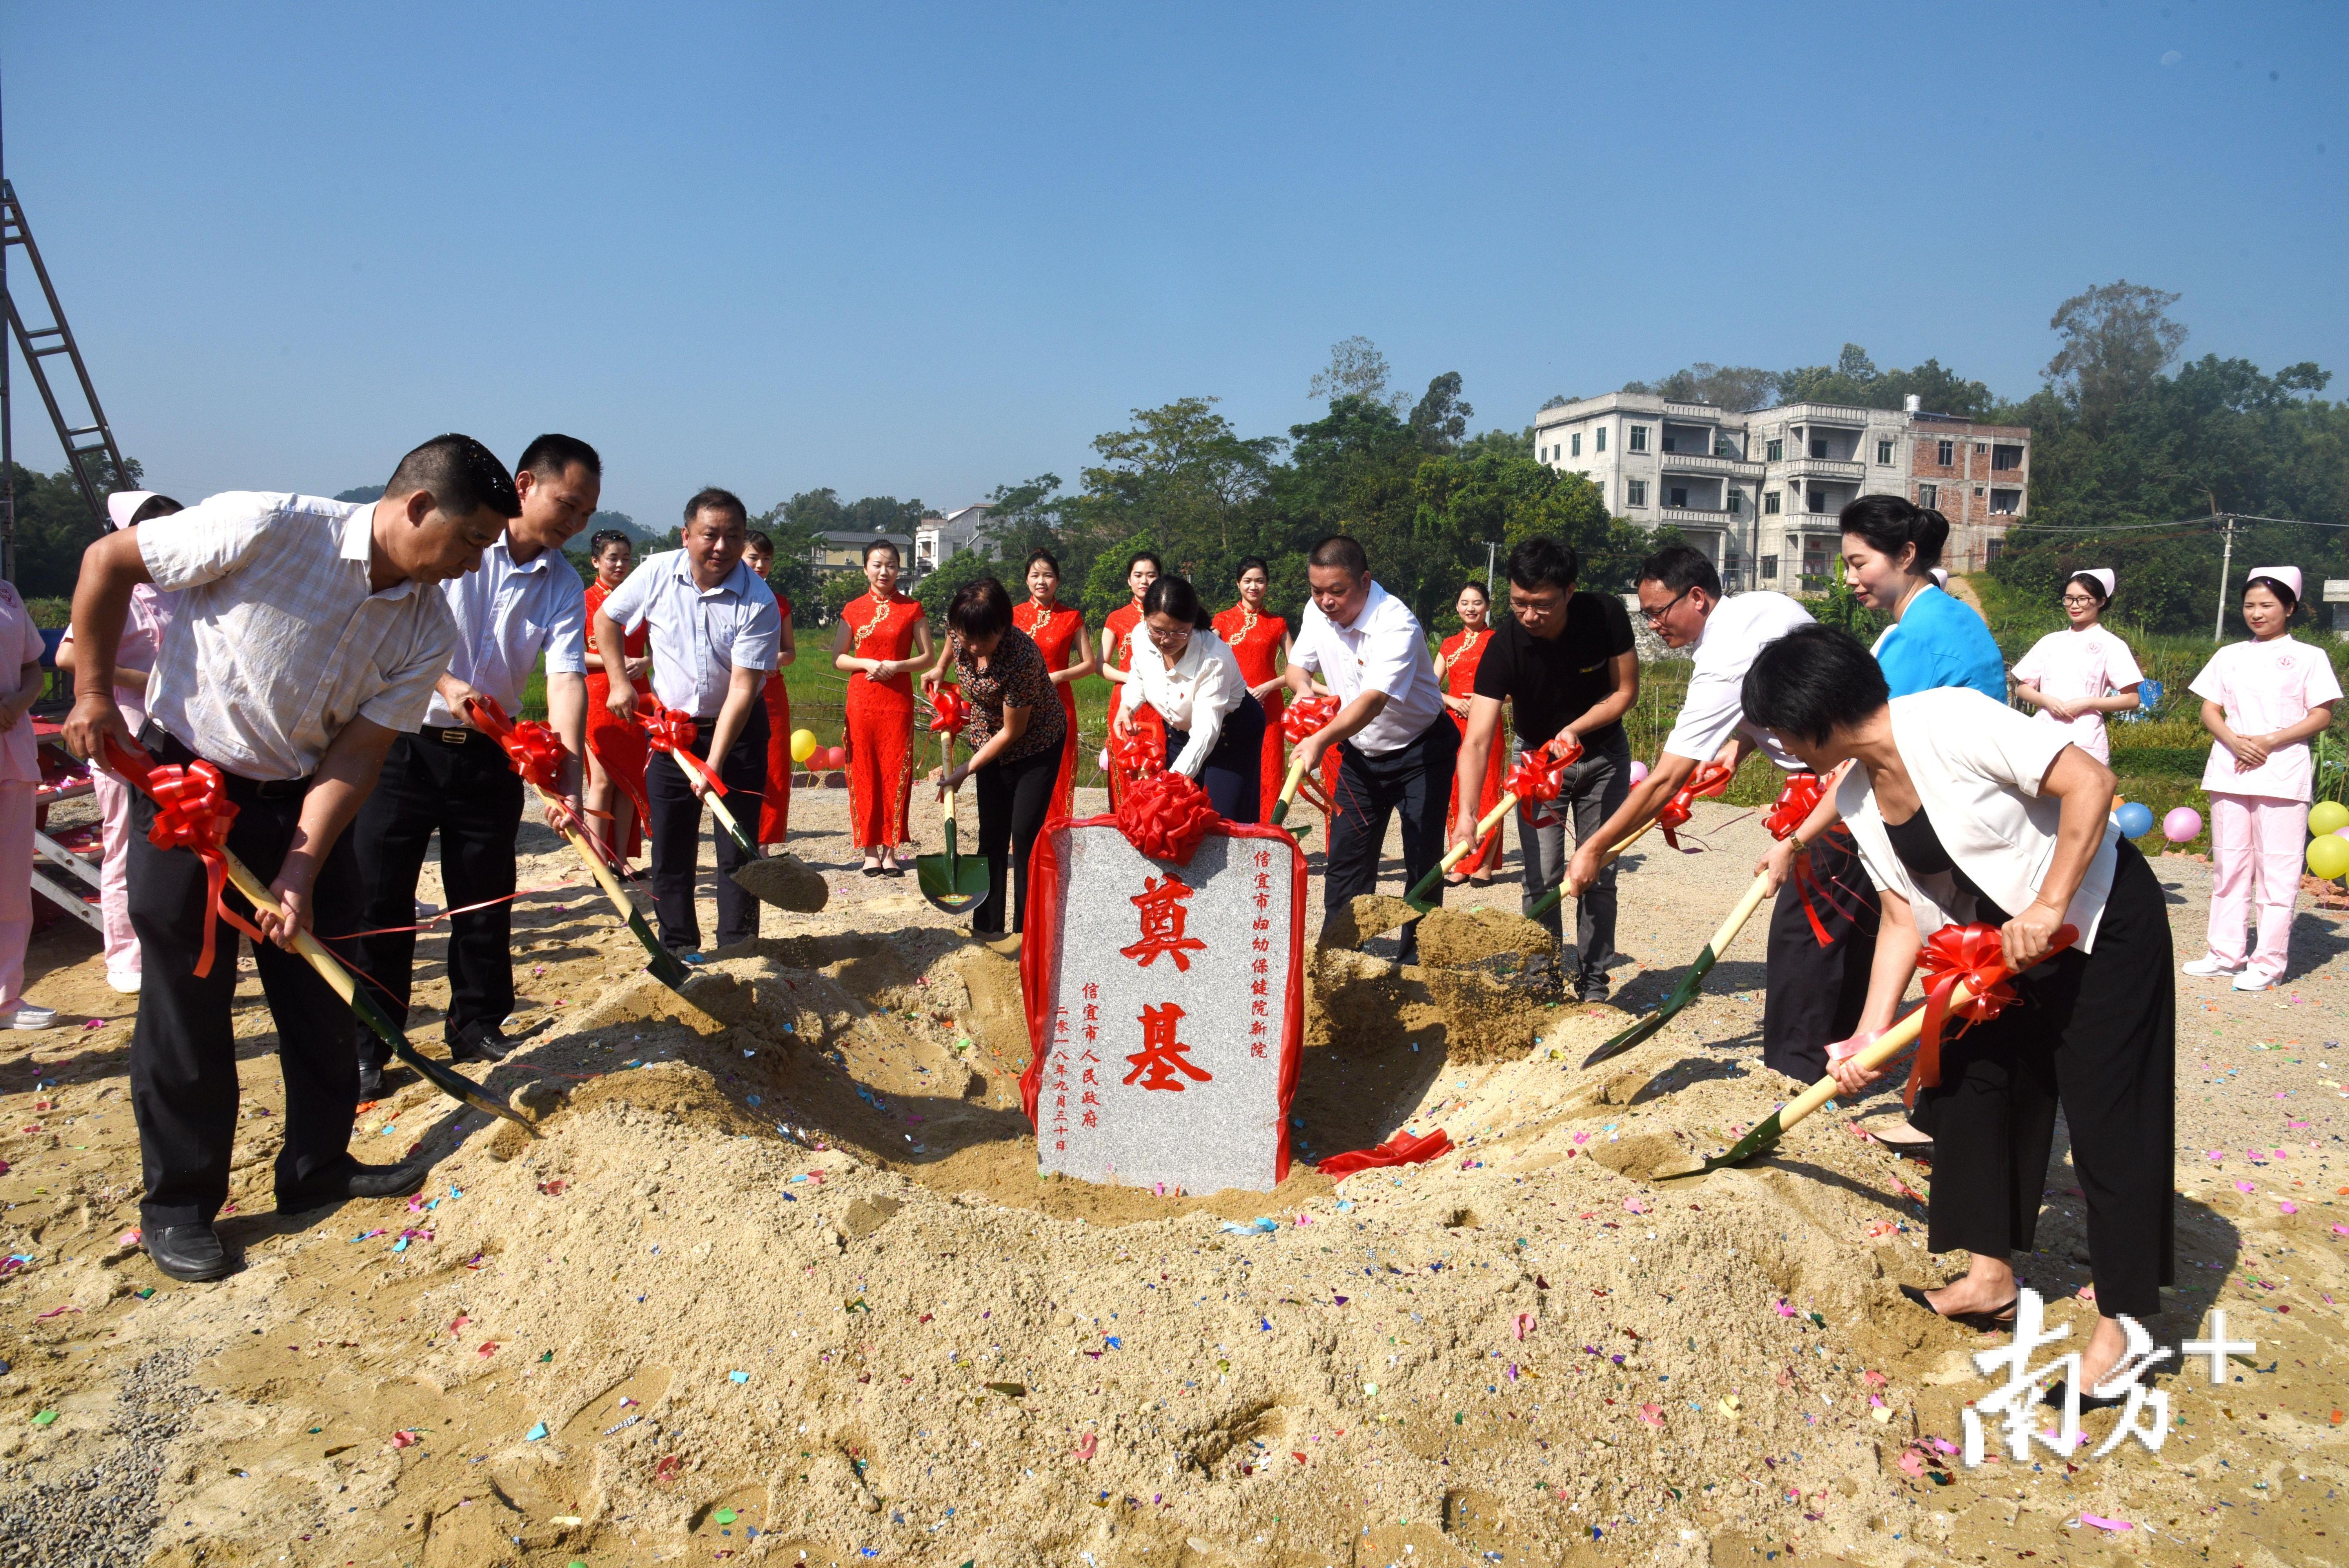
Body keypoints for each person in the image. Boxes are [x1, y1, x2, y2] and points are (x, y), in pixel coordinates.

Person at [62, 434, 519, 1281]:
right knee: (188, 1004)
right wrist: (92, 692)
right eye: (466, 543)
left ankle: (318, 1164)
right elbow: (106, 562)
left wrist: (302, 868)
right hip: (188, 794)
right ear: (418, 506)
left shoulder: (426, 622)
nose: (466, 566)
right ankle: (181, 1203)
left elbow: (357, 754)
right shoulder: (269, 525)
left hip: (300, 800)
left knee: (322, 987)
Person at [1746, 624, 2174, 1399]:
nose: (1780, 748)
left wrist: (2048, 905)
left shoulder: (1947, 718)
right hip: (1993, 953)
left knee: (2110, 1114)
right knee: (1973, 1091)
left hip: (2094, 922)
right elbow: (1902, 917)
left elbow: (2088, 784)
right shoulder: (1851, 794)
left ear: (1811, 714)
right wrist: (1872, 1033)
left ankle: (2120, 1326)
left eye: (1778, 730)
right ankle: (1988, 1278)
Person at [344, 435, 599, 1099]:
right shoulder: (457, 547)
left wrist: (562, 779)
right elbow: (398, 637)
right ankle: (370, 1041)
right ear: (525, 485)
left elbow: (567, 678)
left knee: (484, 897)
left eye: (584, 516)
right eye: (566, 506)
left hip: (491, 753)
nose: (573, 526)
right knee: (381, 898)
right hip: (401, 741)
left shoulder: (563, 583)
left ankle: (478, 1024)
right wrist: (447, 684)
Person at [1565, 545, 1873, 1077]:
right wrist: (1745, 742)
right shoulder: (1766, 607)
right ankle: (1844, 1051)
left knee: (1804, 937)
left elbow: (1664, 779)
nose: (1654, 625)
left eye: (1658, 612)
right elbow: (1798, 689)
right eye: (1646, 615)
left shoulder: (1721, 661)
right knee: (1848, 923)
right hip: (1863, 771)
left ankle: (1793, 1072)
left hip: (1831, 786)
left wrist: (1593, 847)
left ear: (1699, 598)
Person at [594, 489, 782, 956]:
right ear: (686, 535)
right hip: (671, 733)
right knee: (671, 845)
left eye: (732, 537)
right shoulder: (657, 572)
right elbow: (606, 618)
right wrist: (619, 681)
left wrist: (714, 762)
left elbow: (743, 688)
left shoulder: (758, 600)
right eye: (710, 535)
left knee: (737, 847)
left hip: (736, 735)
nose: (720, 547)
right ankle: (678, 944)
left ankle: (739, 946)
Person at [1450, 539, 1639, 1001]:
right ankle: (1541, 980)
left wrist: (1575, 728)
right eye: (1518, 603)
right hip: (1536, 765)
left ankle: (1594, 983)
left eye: (1542, 605)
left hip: (1601, 759)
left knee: (1597, 872)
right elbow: (1476, 739)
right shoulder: (1503, 648)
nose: (1529, 615)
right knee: (1542, 874)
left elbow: (1625, 692)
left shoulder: (1605, 615)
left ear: (1569, 591)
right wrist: (1469, 814)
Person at [1283, 535, 1456, 964]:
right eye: (1316, 590)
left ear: (1364, 580)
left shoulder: (1395, 622)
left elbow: (1373, 700)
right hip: (1361, 757)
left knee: (1422, 857)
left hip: (1420, 753)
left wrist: (1320, 738)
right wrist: (1305, 696)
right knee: (1347, 856)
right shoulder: (1316, 611)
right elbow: (1296, 668)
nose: (1325, 602)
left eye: (1337, 591)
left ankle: (1417, 960)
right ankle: (1340, 955)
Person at [2184, 568, 2342, 991]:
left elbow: (2321, 714)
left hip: (2280, 771)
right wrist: (2235, 741)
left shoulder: (2309, 656)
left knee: (2277, 869)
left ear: (2289, 608)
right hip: (2230, 768)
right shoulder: (2229, 655)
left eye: (2267, 605)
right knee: (2230, 865)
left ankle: (2269, 963)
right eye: (2250, 605)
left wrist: (2269, 741)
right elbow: (2209, 710)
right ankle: (2224, 954)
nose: (2256, 612)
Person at [55, 490, 183, 995]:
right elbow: (69, 655)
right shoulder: (116, 588)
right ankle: (125, 954)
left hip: (177, 726)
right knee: (126, 837)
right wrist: (143, 679)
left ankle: (171, 942)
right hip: (126, 724)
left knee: (175, 836)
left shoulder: (179, 588)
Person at [928, 577, 1067, 938]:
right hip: (987, 735)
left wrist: (964, 771)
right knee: (991, 834)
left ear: (1003, 628)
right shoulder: (962, 631)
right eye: (966, 637)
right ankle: (988, 930)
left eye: (983, 639)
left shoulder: (1021, 657)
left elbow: (1012, 732)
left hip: (1035, 741)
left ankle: (1027, 933)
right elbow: (951, 640)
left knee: (1023, 835)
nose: (973, 646)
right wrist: (940, 668)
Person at [1112, 574, 1263, 820]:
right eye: (1158, 630)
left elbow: (1206, 732)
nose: (1166, 640)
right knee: (1178, 818)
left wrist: (1171, 782)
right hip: (1181, 732)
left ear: (1193, 623)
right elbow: (1140, 674)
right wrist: (1127, 706)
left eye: (1179, 633)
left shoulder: (1214, 658)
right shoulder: (1142, 635)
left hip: (1230, 733)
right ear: (1145, 618)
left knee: (1223, 819)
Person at [1843, 496, 2005, 704]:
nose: (1850, 579)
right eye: (1848, 567)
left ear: (1905, 555)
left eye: (1859, 564)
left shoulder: (1915, 636)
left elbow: (1872, 723)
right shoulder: (1956, 612)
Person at [832, 539, 929, 875]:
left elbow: (927, 657)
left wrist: (896, 666)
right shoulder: (852, 609)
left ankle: (891, 850)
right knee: (864, 772)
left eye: (890, 565)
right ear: (865, 569)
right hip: (862, 702)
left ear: (899, 570)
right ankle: (869, 851)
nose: (883, 571)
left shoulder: (912, 609)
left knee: (895, 771)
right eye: (876, 564)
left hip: (898, 702)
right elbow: (839, 658)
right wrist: (868, 664)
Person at [2008, 570, 2145, 765]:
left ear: (2101, 602)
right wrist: (2046, 700)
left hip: (2085, 737)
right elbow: (2022, 688)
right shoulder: (2050, 641)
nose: (2074, 606)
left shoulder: (2111, 645)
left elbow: (2132, 699)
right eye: (2069, 599)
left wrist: (2087, 703)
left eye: (2083, 599)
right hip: (2044, 733)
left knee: (2084, 792)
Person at [0, 571, 54, 1030]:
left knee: (11, 882)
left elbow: (32, 668)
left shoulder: (7, 594)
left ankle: (5, 997)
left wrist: (18, 702)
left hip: (10, 750)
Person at [581, 529, 649, 865]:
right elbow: (571, 656)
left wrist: (643, 662)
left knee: (628, 781)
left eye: (626, 558)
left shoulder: (639, 603)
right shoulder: (584, 601)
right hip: (597, 696)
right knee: (604, 780)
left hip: (639, 695)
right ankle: (598, 860)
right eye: (613, 558)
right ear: (596, 561)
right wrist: (614, 662)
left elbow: (658, 650)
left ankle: (621, 859)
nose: (621, 564)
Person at [1434, 582, 1507, 885]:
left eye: (1477, 602)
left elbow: (1515, 687)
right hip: (1453, 726)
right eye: (1465, 603)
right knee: (1456, 792)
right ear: (1457, 608)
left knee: (1489, 789)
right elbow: (1427, 686)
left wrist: (1485, 699)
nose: (1471, 608)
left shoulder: (1499, 642)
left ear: (1488, 606)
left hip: (1488, 726)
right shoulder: (1449, 645)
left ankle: (1484, 863)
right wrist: (1451, 700)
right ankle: (1460, 860)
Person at [1211, 557, 1292, 824]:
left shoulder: (1278, 623)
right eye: (1248, 581)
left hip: (1268, 709)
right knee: (1233, 771)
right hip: (1230, 708)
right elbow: (1208, 663)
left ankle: (1267, 835)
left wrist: (1270, 686)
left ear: (1267, 584)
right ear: (1238, 584)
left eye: (1260, 581)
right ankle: (1232, 831)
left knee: (1268, 773)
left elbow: (1298, 669)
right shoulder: (1222, 621)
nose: (1254, 587)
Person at [741, 531, 799, 846]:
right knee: (738, 766)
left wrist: (774, 659)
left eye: (766, 559)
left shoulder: (780, 603)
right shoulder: (725, 595)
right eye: (754, 557)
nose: (761, 564)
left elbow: (790, 651)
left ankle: (764, 844)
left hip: (772, 693)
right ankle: (739, 840)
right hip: (733, 692)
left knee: (775, 769)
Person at [1098, 551, 1160, 811]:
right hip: (1125, 702)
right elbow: (1101, 665)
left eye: (1151, 575)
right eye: (1138, 575)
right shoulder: (1117, 617)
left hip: (1161, 703)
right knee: (1124, 767)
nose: (1144, 581)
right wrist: (1134, 679)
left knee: (1157, 764)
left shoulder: (1168, 614)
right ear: (1129, 580)